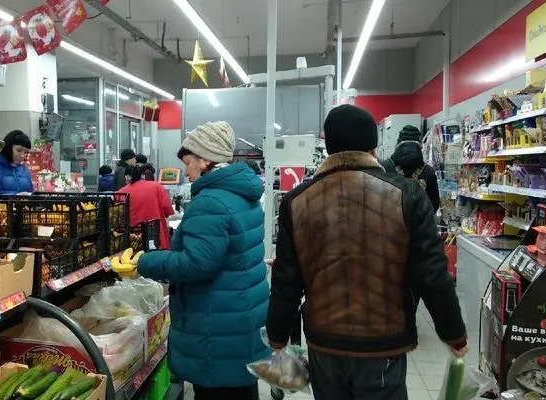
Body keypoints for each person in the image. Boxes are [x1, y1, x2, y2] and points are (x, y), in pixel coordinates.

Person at [266, 105, 467, 400]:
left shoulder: (297, 201)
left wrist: (277, 336)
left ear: (329, 148)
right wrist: (453, 333)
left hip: (324, 342)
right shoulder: (408, 195)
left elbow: (286, 279)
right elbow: (432, 274)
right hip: (383, 343)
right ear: (373, 148)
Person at [137, 121, 269, 400]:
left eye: (188, 162)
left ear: (205, 159)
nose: (186, 171)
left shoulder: (210, 201)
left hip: (215, 323)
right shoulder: (243, 194)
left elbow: (197, 264)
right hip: (239, 315)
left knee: (217, 391)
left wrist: (147, 262)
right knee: (241, 387)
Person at [381, 125, 440, 211]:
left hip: (389, 217)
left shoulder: (384, 167)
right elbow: (434, 204)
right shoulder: (428, 171)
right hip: (419, 218)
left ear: (397, 144)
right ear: (420, 145)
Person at [116, 165, 174, 249]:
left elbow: (117, 217)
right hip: (156, 236)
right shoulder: (156, 186)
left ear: (127, 177)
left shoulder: (120, 193)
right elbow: (167, 210)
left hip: (132, 239)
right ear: (142, 175)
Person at [0, 130, 33, 197]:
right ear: (8, 147)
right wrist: (13, 198)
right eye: (19, 150)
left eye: (26, 152)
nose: (22, 155)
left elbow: (31, 191)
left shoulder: (24, 169)